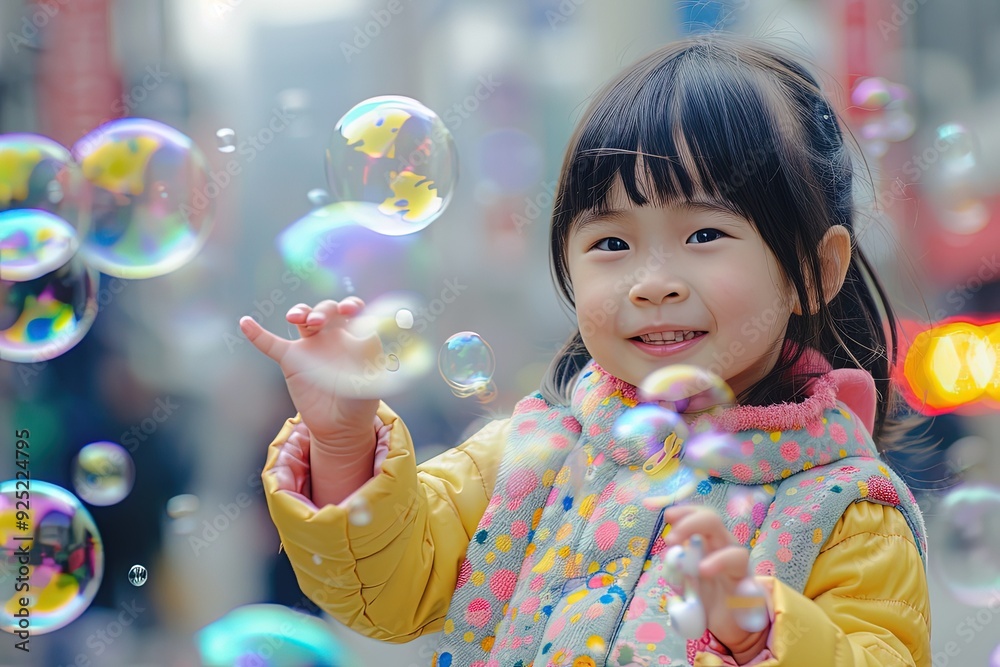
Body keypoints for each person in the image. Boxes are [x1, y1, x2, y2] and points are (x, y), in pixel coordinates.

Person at [242, 34, 931, 667]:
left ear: (814, 271)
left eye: (704, 235)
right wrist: (341, 441)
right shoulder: (530, 452)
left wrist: (761, 633)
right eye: (611, 243)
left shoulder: (847, 512)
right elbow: (389, 588)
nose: (651, 283)